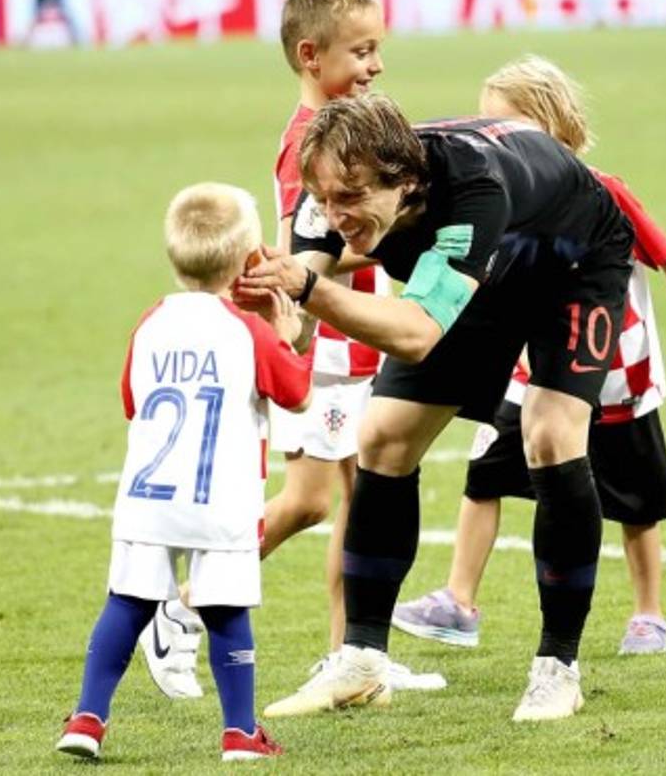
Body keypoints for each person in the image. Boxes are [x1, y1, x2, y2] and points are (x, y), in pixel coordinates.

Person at [237, 92, 634, 722]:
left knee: (550, 434)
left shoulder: (472, 189)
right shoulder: (332, 192)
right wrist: (279, 309)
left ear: (408, 181)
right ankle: (362, 663)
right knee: (384, 437)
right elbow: (302, 311)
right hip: (483, 268)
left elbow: (417, 332)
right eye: (329, 200)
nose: (338, 216)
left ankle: (558, 667)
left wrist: (306, 288)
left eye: (354, 198)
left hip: (575, 260)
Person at [137, 0, 443, 703]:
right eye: (361, 51)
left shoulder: (349, 129)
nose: (375, 66)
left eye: (377, 50)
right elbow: (313, 246)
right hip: (328, 344)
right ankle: (175, 610)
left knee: (360, 493)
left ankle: (354, 654)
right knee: (309, 500)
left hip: (356, 333)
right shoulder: (307, 143)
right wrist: (410, 237)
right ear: (312, 55)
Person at [391, 55, 666, 656]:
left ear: (550, 123)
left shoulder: (603, 192)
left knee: (634, 500)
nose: (494, 140)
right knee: (484, 478)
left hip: (614, 373)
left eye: (508, 124)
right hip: (531, 373)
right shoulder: (497, 196)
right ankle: (458, 600)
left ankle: (648, 613)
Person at [55, 183, 311, 762]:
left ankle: (89, 718)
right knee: (224, 611)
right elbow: (294, 393)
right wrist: (287, 339)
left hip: (148, 496)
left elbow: (130, 399)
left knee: (126, 602)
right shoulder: (248, 331)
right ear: (250, 261)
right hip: (220, 498)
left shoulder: (152, 322)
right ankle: (240, 732)